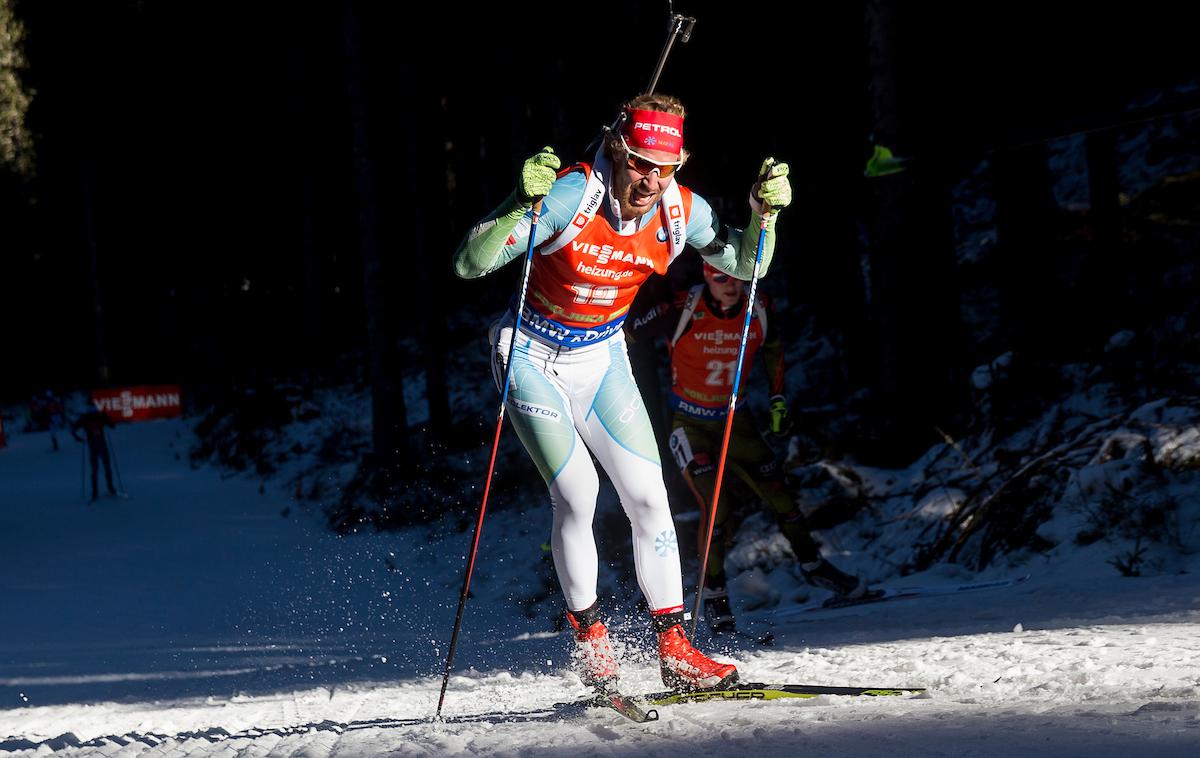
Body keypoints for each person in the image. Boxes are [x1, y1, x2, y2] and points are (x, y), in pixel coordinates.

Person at [453, 92, 791, 692]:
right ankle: (590, 641)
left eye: (663, 169)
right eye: (638, 163)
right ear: (617, 149)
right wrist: (519, 202)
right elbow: (471, 264)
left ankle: (675, 648)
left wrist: (765, 215)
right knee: (578, 494)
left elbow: (744, 265)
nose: (649, 181)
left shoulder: (682, 211)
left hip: (602, 356)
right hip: (530, 353)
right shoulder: (571, 195)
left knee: (648, 497)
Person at [653, 262, 870, 635]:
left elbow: (773, 348)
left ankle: (815, 568)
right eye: (721, 277)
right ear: (707, 276)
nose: (731, 286)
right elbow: (635, 334)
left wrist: (777, 397)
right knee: (715, 504)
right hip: (690, 424)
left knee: (781, 497)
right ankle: (714, 595)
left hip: (737, 421)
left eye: (737, 278)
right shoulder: (682, 306)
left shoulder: (758, 306)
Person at [72, 409, 118, 502]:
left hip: (92, 444)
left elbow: (73, 428)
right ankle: (110, 488)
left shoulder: (85, 417)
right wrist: (107, 418)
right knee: (107, 466)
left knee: (94, 468)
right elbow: (113, 425)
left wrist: (78, 438)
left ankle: (95, 492)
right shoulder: (100, 415)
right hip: (101, 442)